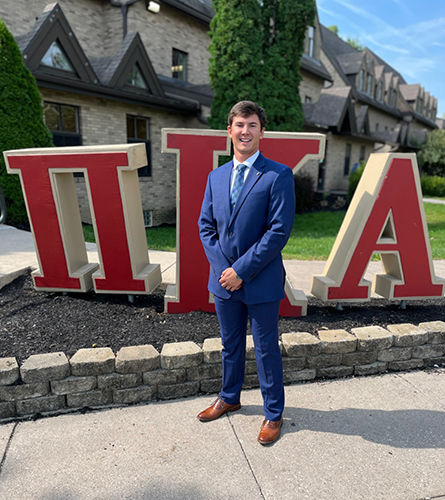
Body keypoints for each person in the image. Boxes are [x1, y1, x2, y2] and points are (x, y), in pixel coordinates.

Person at [197, 100, 296, 445]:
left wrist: (241, 269)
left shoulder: (277, 175)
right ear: (229, 130)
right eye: (239, 125)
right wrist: (225, 270)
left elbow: (278, 232)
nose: (245, 131)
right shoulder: (216, 176)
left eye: (252, 125)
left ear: (262, 132)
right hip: (224, 282)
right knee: (230, 345)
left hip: (261, 280)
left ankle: (273, 414)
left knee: (267, 349)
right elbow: (206, 227)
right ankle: (229, 397)